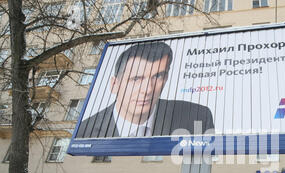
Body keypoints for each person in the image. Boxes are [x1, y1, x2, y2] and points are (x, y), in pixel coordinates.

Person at [76, 42, 214, 138]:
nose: (148, 90)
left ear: (166, 78)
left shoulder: (198, 117)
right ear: (114, 84)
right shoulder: (85, 131)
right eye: (136, 79)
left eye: (158, 76)